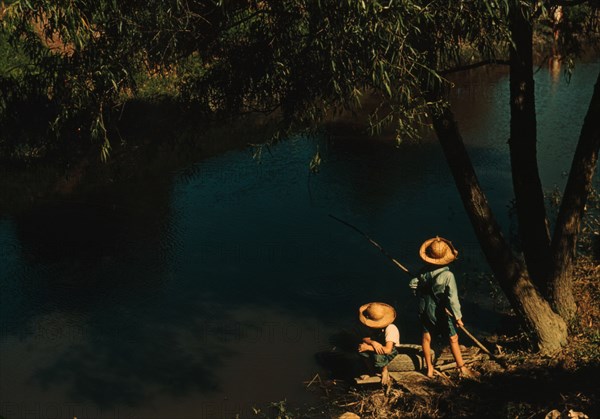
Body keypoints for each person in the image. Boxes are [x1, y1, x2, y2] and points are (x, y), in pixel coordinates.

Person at [409, 236, 475, 378]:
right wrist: (458, 317)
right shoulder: (448, 275)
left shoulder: (423, 271)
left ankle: (429, 369)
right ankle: (461, 367)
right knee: (453, 338)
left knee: (426, 338)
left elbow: (413, 285)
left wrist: (417, 291)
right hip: (440, 310)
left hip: (424, 308)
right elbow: (453, 299)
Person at [357, 302, 401, 385]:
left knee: (377, 353)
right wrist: (373, 342)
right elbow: (365, 338)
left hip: (390, 350)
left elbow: (388, 350)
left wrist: (367, 347)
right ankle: (371, 372)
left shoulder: (391, 328)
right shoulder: (374, 328)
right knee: (362, 350)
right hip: (378, 347)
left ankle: (384, 371)